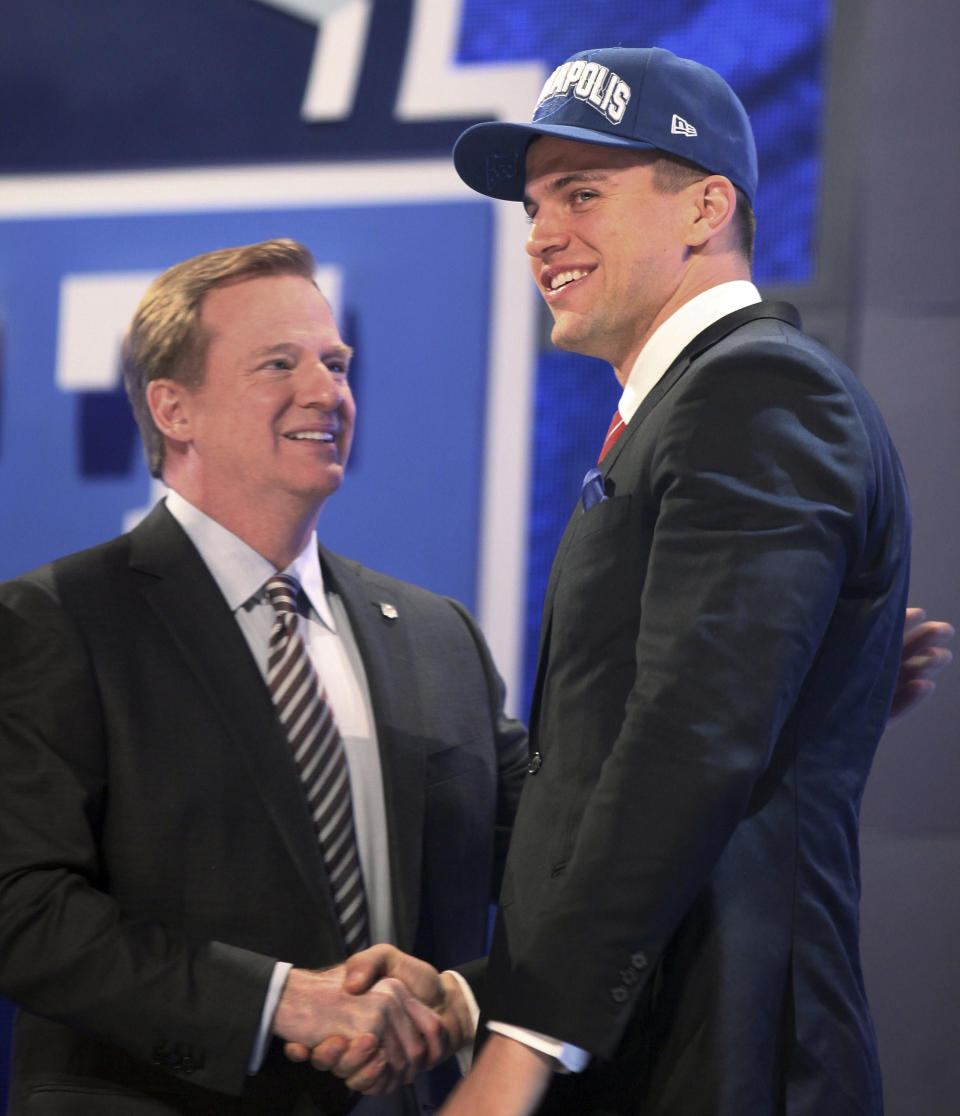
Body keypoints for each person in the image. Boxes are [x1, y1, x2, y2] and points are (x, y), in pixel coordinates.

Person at [299, 46, 954, 1114]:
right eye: (533, 206)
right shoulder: (682, 415)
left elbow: (688, 746)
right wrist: (481, 999)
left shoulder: (756, 395)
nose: (542, 234)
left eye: (583, 193)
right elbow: (628, 764)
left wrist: (521, 1043)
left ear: (705, 207)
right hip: (659, 1047)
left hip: (725, 1062)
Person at [0, 238, 528, 1115]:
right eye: (278, 363)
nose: (326, 392)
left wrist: (457, 999)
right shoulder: (58, 621)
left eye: (336, 363)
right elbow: (21, 908)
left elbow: (552, 875)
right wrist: (280, 1000)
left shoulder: (439, 639)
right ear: (174, 408)